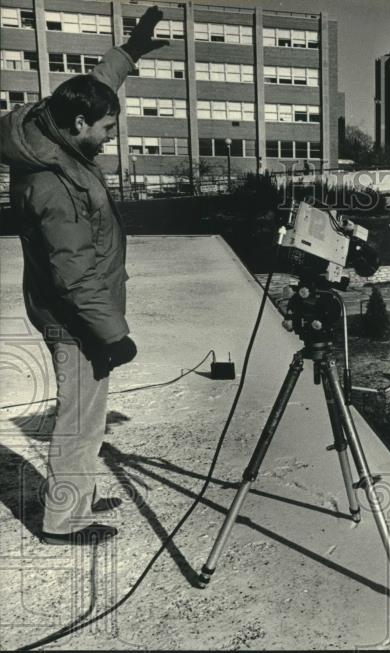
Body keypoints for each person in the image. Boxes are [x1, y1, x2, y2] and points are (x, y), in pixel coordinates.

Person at [1, 7, 168, 545]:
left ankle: (81, 493)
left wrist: (130, 52)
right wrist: (113, 335)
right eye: (106, 129)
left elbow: (96, 85)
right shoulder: (51, 185)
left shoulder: (57, 125)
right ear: (79, 127)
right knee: (80, 418)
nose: (111, 136)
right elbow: (72, 275)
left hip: (80, 308)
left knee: (90, 410)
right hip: (75, 316)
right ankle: (64, 520)